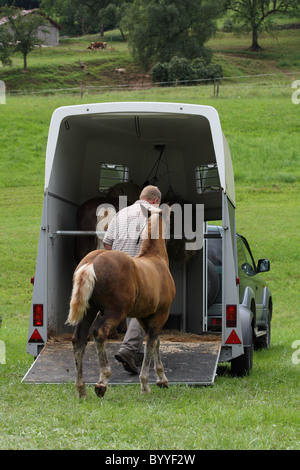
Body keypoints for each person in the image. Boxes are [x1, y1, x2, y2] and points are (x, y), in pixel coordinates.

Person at [103, 185, 162, 374]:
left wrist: (115, 264)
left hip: (117, 268)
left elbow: (107, 242)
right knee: (145, 308)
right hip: (140, 268)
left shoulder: (120, 214)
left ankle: (134, 352)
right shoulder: (154, 213)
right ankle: (128, 348)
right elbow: (159, 245)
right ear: (155, 201)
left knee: (132, 306)